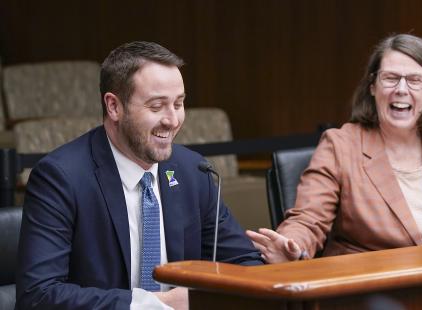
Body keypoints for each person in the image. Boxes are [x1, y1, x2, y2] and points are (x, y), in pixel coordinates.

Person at [16, 41, 263, 310]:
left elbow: (243, 263)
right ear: (114, 107)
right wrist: (157, 304)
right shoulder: (61, 178)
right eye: (156, 106)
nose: (172, 120)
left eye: (179, 104)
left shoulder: (194, 172)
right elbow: (38, 296)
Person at [247, 33, 422, 263]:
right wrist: (293, 246)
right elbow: (308, 220)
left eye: (414, 80)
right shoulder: (340, 145)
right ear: (372, 86)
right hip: (372, 288)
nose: (401, 89)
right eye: (390, 78)